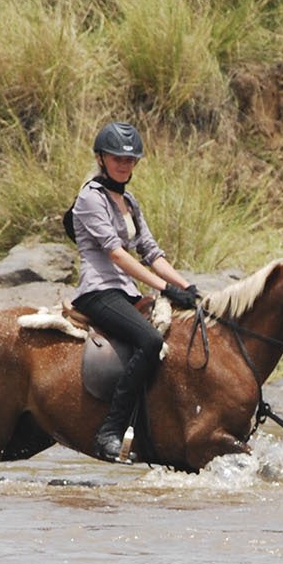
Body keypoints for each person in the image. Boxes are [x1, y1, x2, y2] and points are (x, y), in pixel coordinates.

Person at [68, 120, 202, 462]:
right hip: (98, 291)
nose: (124, 165)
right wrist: (166, 289)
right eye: (117, 159)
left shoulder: (129, 201)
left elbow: (152, 252)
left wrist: (188, 288)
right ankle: (110, 431)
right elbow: (115, 253)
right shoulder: (90, 197)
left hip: (125, 293)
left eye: (130, 160)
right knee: (151, 341)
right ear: (101, 158)